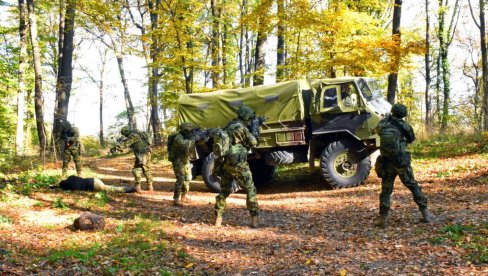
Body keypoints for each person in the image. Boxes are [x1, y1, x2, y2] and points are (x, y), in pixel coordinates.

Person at [374, 103, 435, 228]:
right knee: (412, 185)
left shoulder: (383, 124)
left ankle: (382, 219)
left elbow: (377, 131)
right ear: (403, 114)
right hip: (401, 161)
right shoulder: (404, 125)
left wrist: (386, 119)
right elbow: (411, 138)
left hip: (387, 161)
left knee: (386, 190)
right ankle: (426, 214)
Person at [214, 105, 260, 228]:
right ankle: (254, 218)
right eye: (249, 118)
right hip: (240, 165)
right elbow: (253, 142)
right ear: (246, 117)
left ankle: (218, 218)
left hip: (226, 164)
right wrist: (255, 129)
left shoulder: (228, 126)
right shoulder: (241, 128)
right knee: (250, 189)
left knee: (224, 191)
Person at [112, 126, 153, 192]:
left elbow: (124, 145)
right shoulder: (139, 133)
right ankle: (150, 186)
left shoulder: (133, 135)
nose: (125, 135)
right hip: (146, 153)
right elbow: (133, 144)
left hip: (142, 154)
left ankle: (138, 186)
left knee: (137, 170)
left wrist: (115, 148)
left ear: (126, 131)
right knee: (146, 169)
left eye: (124, 134)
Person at [170, 122, 198, 206]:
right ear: (183, 131)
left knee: (188, 178)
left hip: (186, 160)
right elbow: (186, 146)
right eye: (189, 131)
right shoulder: (178, 138)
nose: (191, 132)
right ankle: (176, 199)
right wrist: (194, 139)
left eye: (191, 131)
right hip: (178, 160)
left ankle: (184, 195)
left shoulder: (188, 137)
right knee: (180, 179)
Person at [58, 175, 136, 193]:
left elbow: (66, 188)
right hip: (93, 179)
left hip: (93, 185)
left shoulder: (71, 187)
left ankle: (128, 189)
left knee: (109, 189)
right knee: (108, 186)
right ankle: (127, 188)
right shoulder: (71, 177)